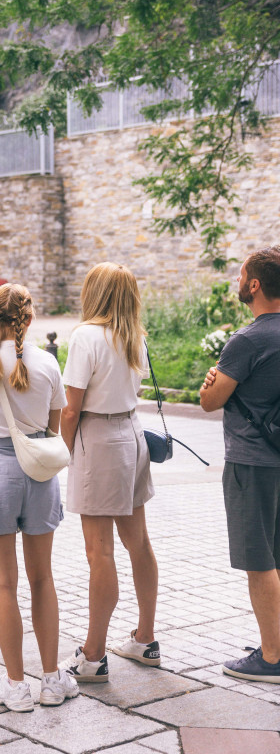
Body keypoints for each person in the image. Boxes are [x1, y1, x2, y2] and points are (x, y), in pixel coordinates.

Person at [0, 283, 79, 711]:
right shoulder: (47, 365)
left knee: (3, 582)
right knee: (42, 578)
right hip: (38, 471)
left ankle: (15, 686)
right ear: (29, 318)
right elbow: (53, 427)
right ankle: (51, 679)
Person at [58, 262, 161, 684]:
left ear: (94, 292)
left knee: (99, 551)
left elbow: (70, 408)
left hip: (98, 438)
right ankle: (145, 638)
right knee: (138, 542)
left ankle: (93, 655)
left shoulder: (85, 336)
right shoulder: (134, 336)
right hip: (131, 434)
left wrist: (60, 453)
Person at [200, 245, 280, 683]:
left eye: (241, 274)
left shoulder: (248, 340)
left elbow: (210, 401)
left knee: (258, 559)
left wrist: (214, 376)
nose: (237, 280)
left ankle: (272, 657)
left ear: (254, 284)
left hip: (253, 462)